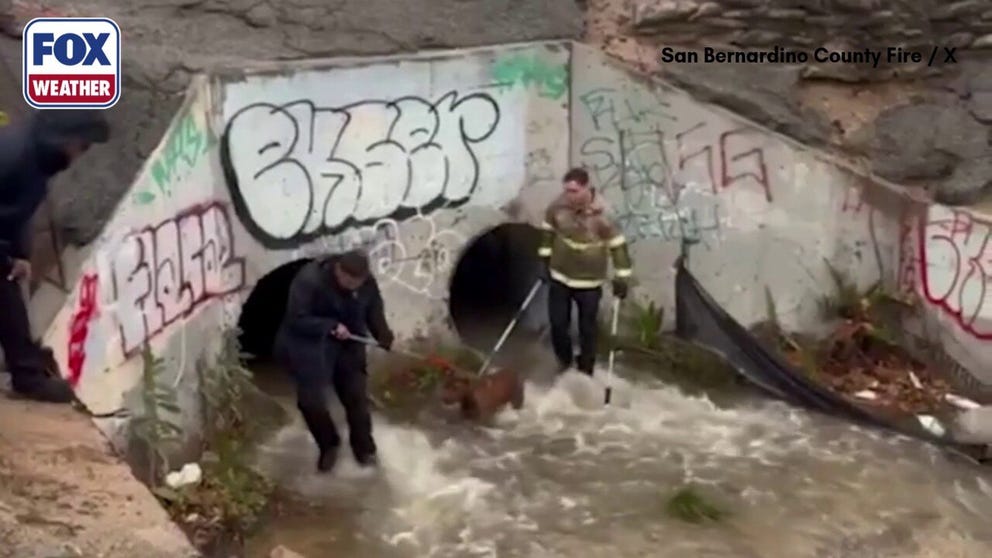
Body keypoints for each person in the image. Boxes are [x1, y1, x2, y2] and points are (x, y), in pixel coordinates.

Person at [0, 109, 110, 403]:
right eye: (82, 146)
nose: (81, 155)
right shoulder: (14, 155)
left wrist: (18, 254)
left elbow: (16, 211)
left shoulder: (36, 157)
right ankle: (26, 376)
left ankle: (27, 375)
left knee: (7, 288)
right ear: (65, 137)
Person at [274, 250, 395, 472]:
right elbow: (296, 319)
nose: (353, 286)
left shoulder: (366, 283)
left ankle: (365, 451)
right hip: (310, 343)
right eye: (348, 280)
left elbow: (373, 307)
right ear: (338, 269)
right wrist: (329, 326)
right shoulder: (309, 281)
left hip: (349, 342)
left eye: (357, 282)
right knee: (311, 402)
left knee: (356, 398)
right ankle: (329, 444)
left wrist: (382, 333)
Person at [537, 167, 633, 375]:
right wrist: (544, 261)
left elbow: (618, 246)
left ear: (587, 188)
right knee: (558, 324)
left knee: (587, 329)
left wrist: (622, 278)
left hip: (589, 282)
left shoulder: (605, 214)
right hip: (560, 276)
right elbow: (547, 231)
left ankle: (586, 368)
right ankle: (565, 363)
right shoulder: (557, 206)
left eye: (574, 191)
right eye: (566, 191)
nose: (568, 196)